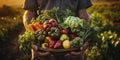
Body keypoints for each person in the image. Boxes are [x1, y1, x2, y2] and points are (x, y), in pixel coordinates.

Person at [23, 0, 92, 60]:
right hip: (42, 46)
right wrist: (32, 38)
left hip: (73, 47)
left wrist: (84, 37)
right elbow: (29, 12)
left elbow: (83, 12)